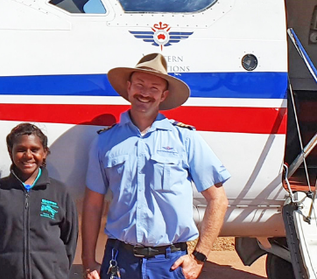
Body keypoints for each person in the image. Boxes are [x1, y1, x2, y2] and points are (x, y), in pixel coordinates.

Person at [81, 53, 230, 279]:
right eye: (139, 84)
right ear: (129, 88)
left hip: (168, 263)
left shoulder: (185, 139)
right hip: (119, 260)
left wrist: (199, 256)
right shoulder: (105, 142)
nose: (145, 93)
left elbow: (218, 199)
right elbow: (92, 205)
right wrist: (88, 260)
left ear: (164, 95)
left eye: (154, 88)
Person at [0, 123, 79, 279]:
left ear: (44, 153)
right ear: (10, 152)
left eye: (34, 149)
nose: (28, 155)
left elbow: (69, 240)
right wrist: (2, 270)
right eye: (20, 150)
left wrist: (56, 270)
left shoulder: (60, 192)